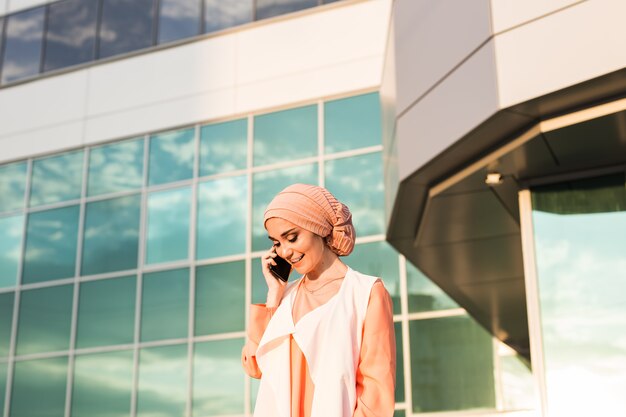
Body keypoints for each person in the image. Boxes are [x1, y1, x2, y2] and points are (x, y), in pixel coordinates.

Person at [241, 183, 396, 417]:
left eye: (292, 237)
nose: (284, 251)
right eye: (277, 243)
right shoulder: (284, 297)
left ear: (320, 228)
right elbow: (254, 367)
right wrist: (274, 294)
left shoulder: (365, 293)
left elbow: (376, 396)